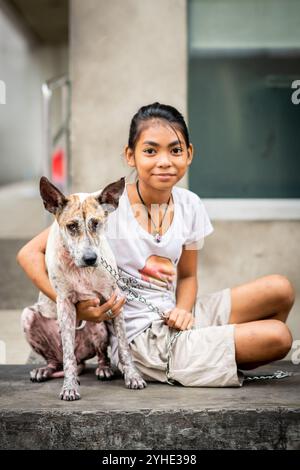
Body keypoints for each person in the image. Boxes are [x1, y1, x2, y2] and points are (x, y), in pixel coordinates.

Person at [17, 102, 295, 387]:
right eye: (150, 151)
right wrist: (77, 309)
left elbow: (187, 276)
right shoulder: (101, 207)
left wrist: (184, 309)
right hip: (140, 339)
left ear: (189, 155)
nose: (164, 161)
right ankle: (206, 355)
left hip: (173, 312)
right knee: (278, 337)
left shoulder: (190, 205)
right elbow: (29, 254)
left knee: (280, 289)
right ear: (130, 156)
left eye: (175, 150)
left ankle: (210, 352)